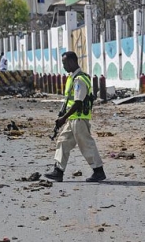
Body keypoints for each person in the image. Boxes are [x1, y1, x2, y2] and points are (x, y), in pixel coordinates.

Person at [44, 51, 106, 183]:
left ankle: (98, 171)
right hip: (73, 118)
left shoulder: (79, 79)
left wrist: (63, 118)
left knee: (86, 144)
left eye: (65, 63)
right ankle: (58, 171)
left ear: (72, 62)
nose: (64, 66)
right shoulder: (73, 78)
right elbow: (69, 100)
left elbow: (78, 102)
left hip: (79, 118)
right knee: (63, 141)